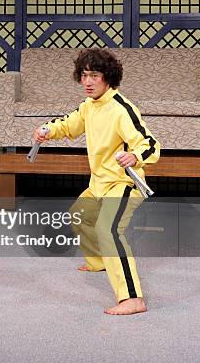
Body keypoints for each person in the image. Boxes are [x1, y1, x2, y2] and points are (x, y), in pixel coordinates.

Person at [32, 48, 160, 315]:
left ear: (108, 77)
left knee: (109, 230)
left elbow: (150, 144)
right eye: (84, 75)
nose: (88, 82)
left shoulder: (122, 109)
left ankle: (133, 298)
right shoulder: (88, 106)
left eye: (95, 75)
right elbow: (68, 125)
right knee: (78, 216)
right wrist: (47, 130)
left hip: (124, 184)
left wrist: (135, 156)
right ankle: (100, 260)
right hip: (99, 183)